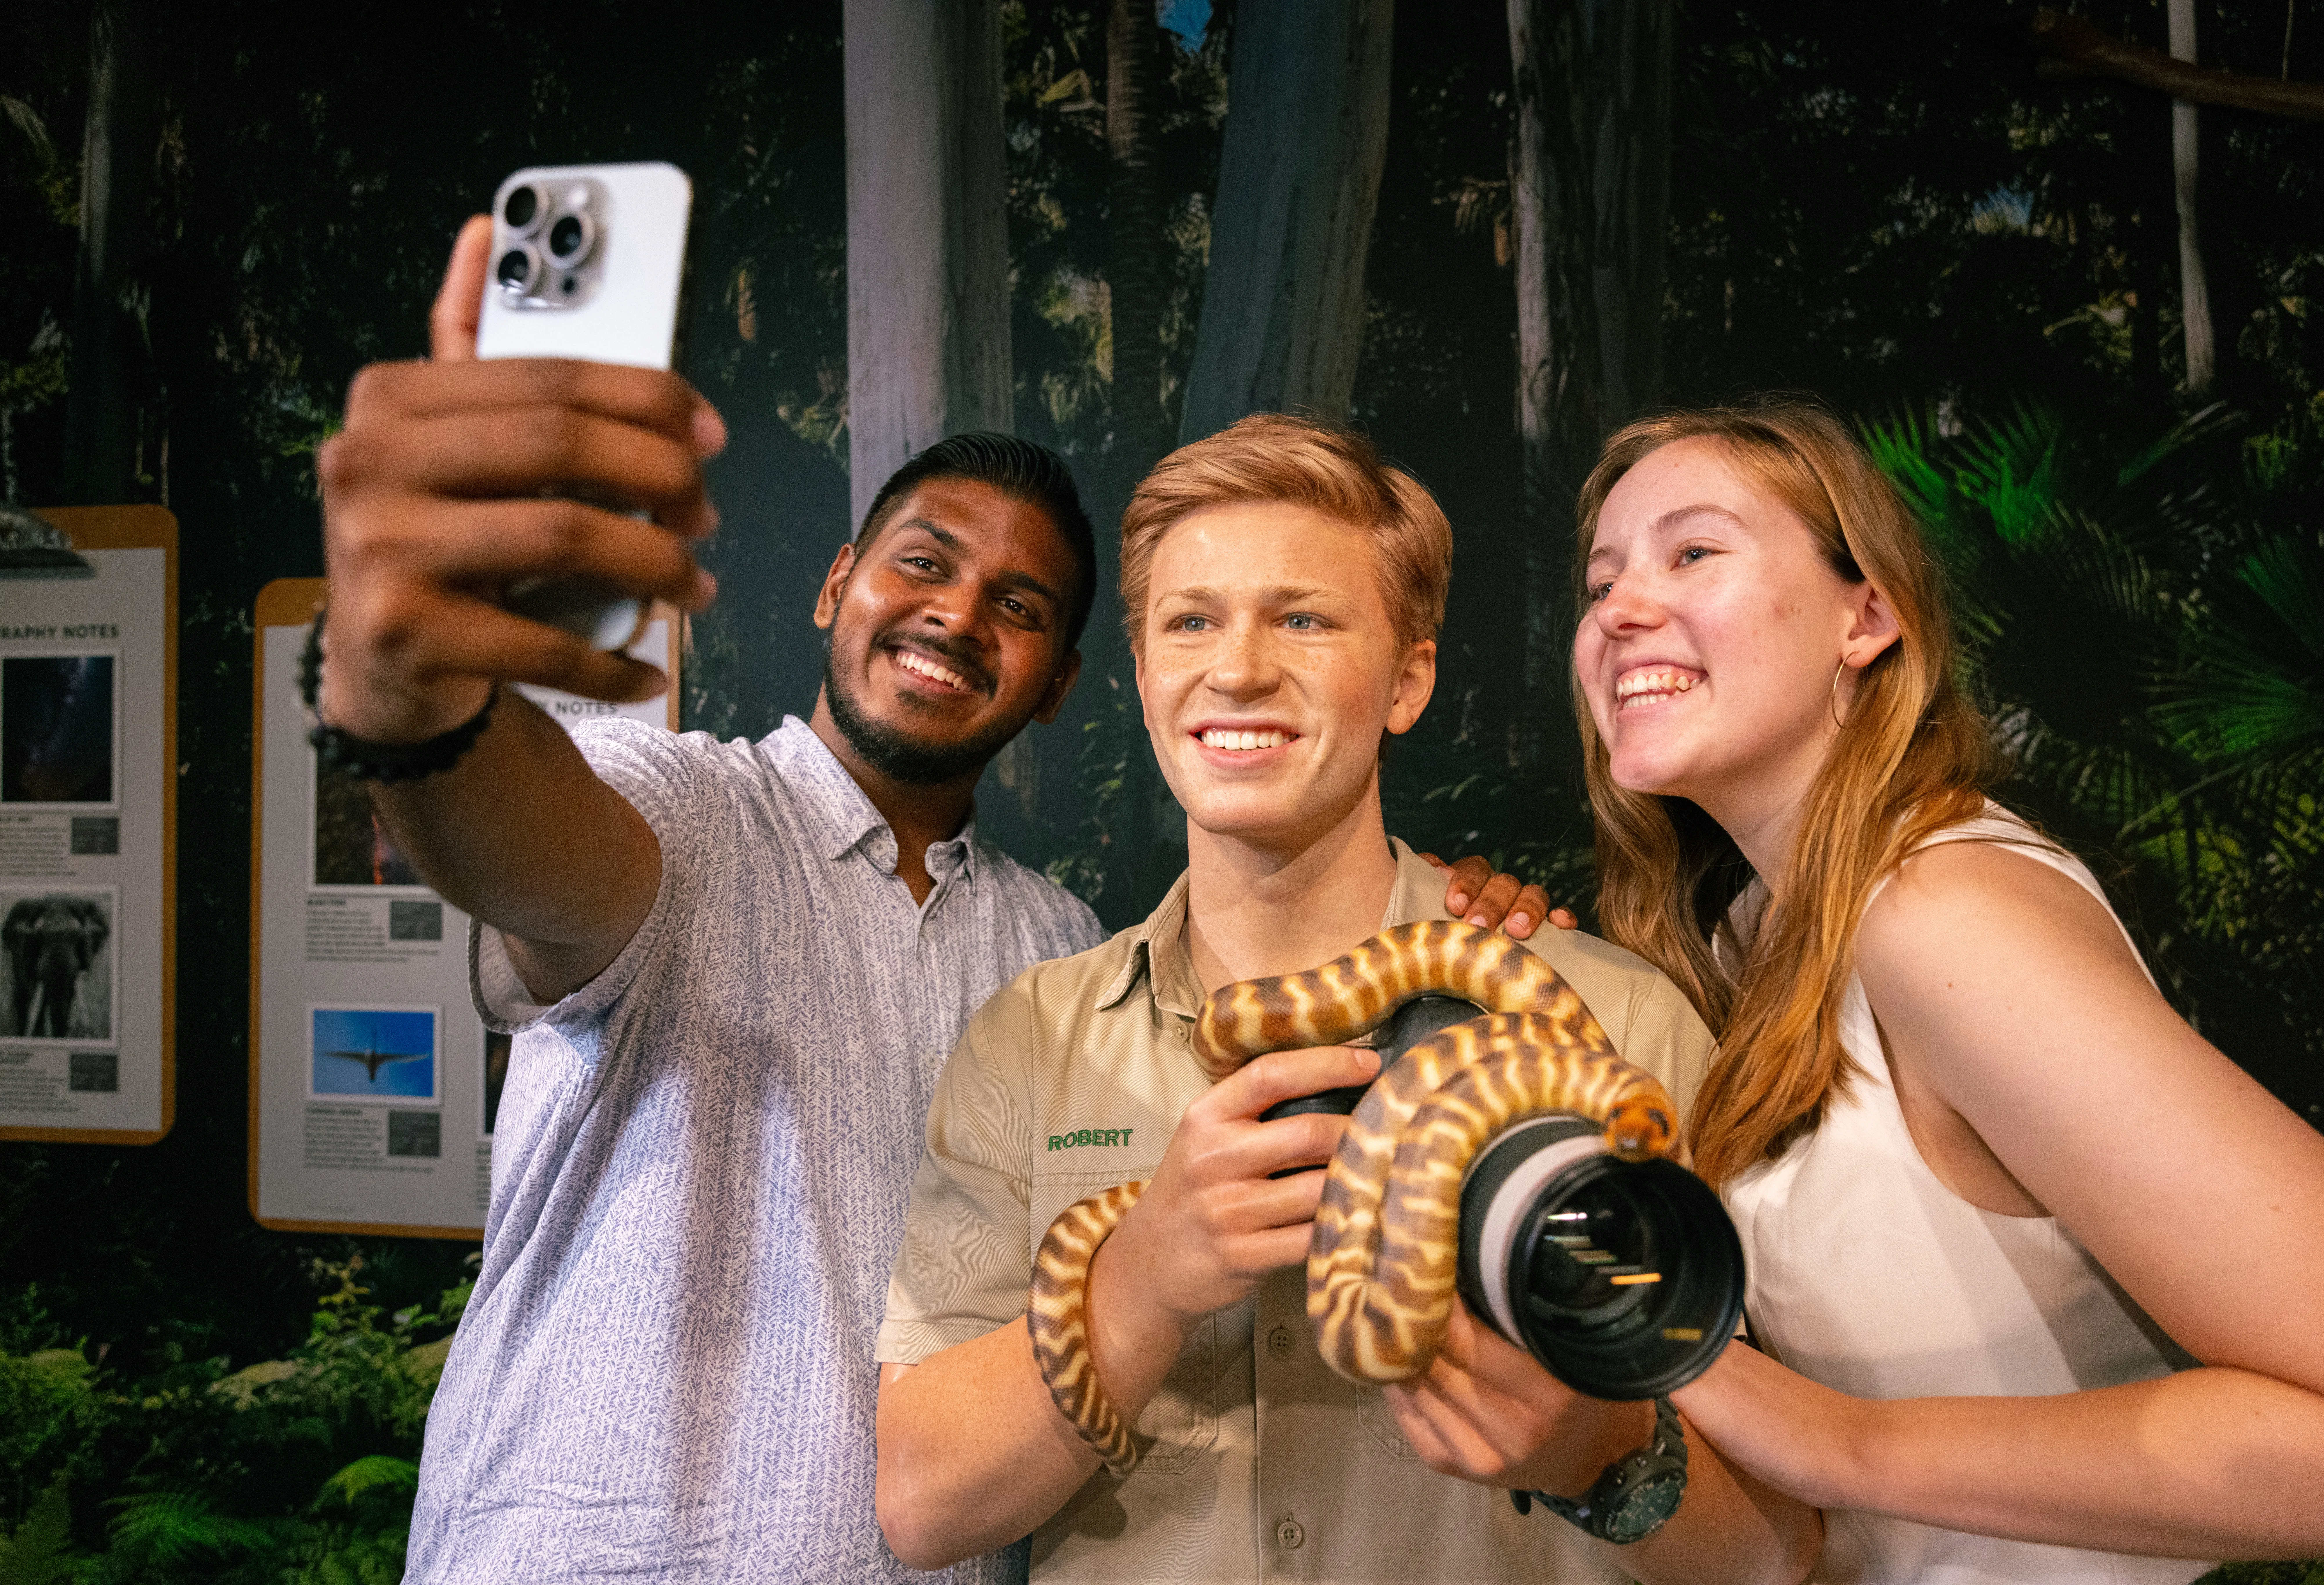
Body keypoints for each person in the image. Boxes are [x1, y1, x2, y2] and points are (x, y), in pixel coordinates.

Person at [319, 220, 1556, 1585]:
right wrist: (411, 694)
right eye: (922, 562)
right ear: (835, 586)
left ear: (1062, 684)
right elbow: (515, 844)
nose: (958, 615)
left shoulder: (1065, 951)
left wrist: (1449, 921)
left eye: (1017, 605)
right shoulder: (683, 813)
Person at [1397, 398, 2324, 1582]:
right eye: (1601, 582)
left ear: (1864, 619)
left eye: (1692, 552)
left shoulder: (1942, 915)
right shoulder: (1755, 938)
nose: (1619, 610)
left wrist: (1842, 1444)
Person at [873, 413, 1822, 1584]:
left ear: (1408, 679)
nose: (1237, 669)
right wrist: (1144, 1278)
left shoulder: (1613, 1025)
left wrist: (1596, 1449)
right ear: (1145, 676)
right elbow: (921, 1508)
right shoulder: (1031, 1038)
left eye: (1303, 620)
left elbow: (1783, 1549)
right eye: (1190, 622)